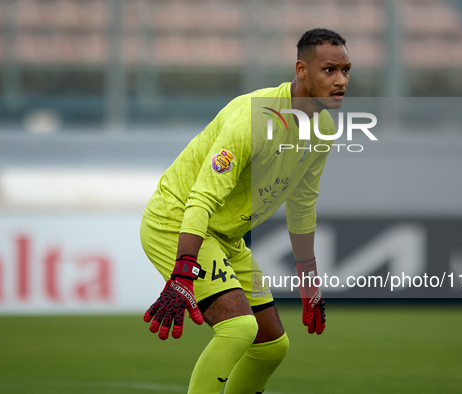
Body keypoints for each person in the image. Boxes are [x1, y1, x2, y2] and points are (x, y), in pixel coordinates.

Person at [140, 28, 351, 394]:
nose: (341, 81)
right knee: (239, 327)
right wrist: (183, 273)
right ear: (301, 70)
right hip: (177, 221)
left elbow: (302, 204)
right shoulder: (253, 118)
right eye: (329, 70)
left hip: (225, 236)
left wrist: (308, 277)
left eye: (346, 70)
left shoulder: (324, 127)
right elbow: (201, 198)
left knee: (271, 346)